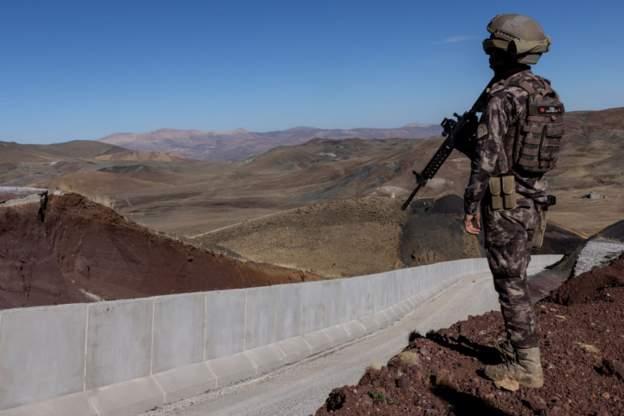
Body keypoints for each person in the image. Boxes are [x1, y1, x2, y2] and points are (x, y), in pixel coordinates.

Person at [463, 14, 564, 389]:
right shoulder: (544, 92)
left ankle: (526, 367)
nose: (488, 54)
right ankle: (522, 347)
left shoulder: (503, 97)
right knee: (517, 279)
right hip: (534, 199)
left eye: (492, 47)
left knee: (510, 284)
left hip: (506, 203)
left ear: (507, 50)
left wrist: (471, 204)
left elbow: (487, 160)